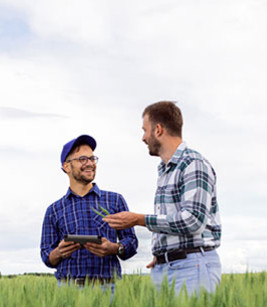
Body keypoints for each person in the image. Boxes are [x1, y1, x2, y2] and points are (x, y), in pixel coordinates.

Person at [103, 101, 222, 294]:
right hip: (169, 266)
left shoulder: (193, 164)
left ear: (158, 130)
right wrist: (164, 253)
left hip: (191, 267)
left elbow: (193, 220)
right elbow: (172, 219)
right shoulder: (165, 170)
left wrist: (138, 219)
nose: (143, 137)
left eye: (145, 130)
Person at [40, 135, 138, 288]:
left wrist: (114, 248)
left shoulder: (115, 200)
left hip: (109, 288)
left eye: (92, 159)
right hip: (68, 290)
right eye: (83, 159)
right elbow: (47, 256)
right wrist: (59, 252)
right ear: (67, 166)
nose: (90, 164)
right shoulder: (54, 210)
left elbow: (131, 242)